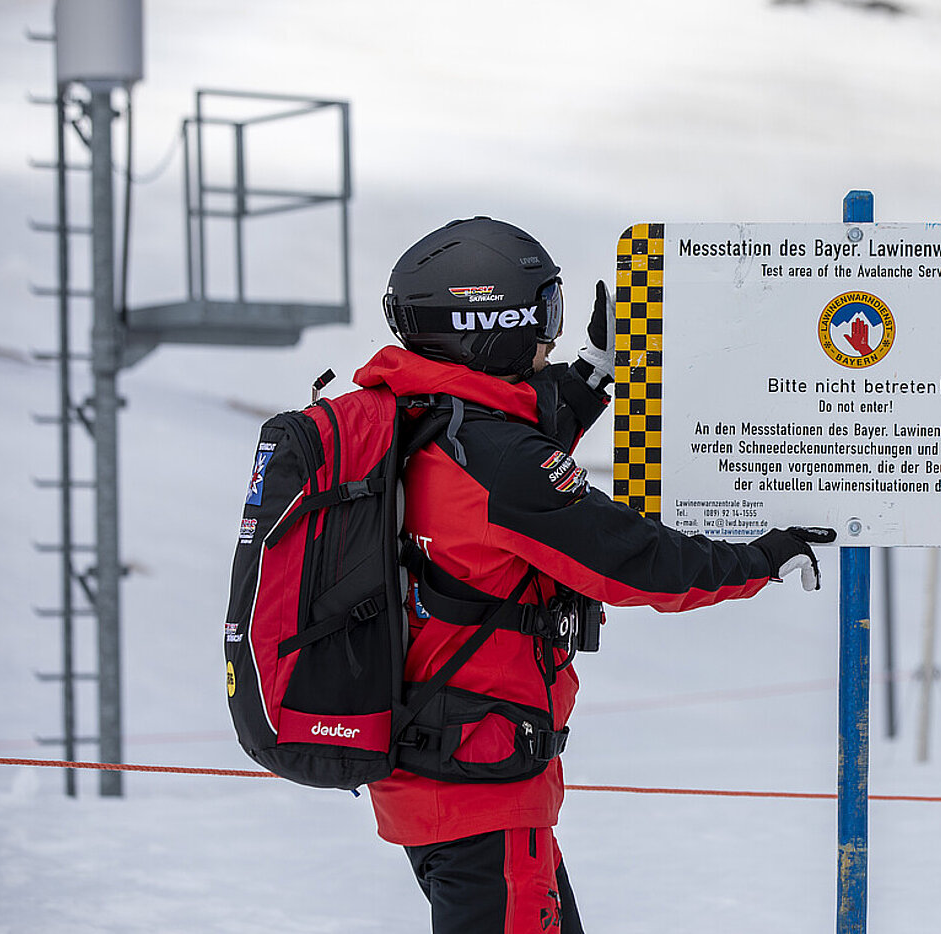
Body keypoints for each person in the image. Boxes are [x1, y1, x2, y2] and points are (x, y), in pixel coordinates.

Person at [355, 216, 834, 933]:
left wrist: (594, 370)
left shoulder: (416, 414)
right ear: (498, 323)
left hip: (441, 768)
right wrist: (761, 558)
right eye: (542, 311)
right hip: (479, 782)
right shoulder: (498, 462)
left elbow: (511, 438)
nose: (548, 332)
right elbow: (637, 561)